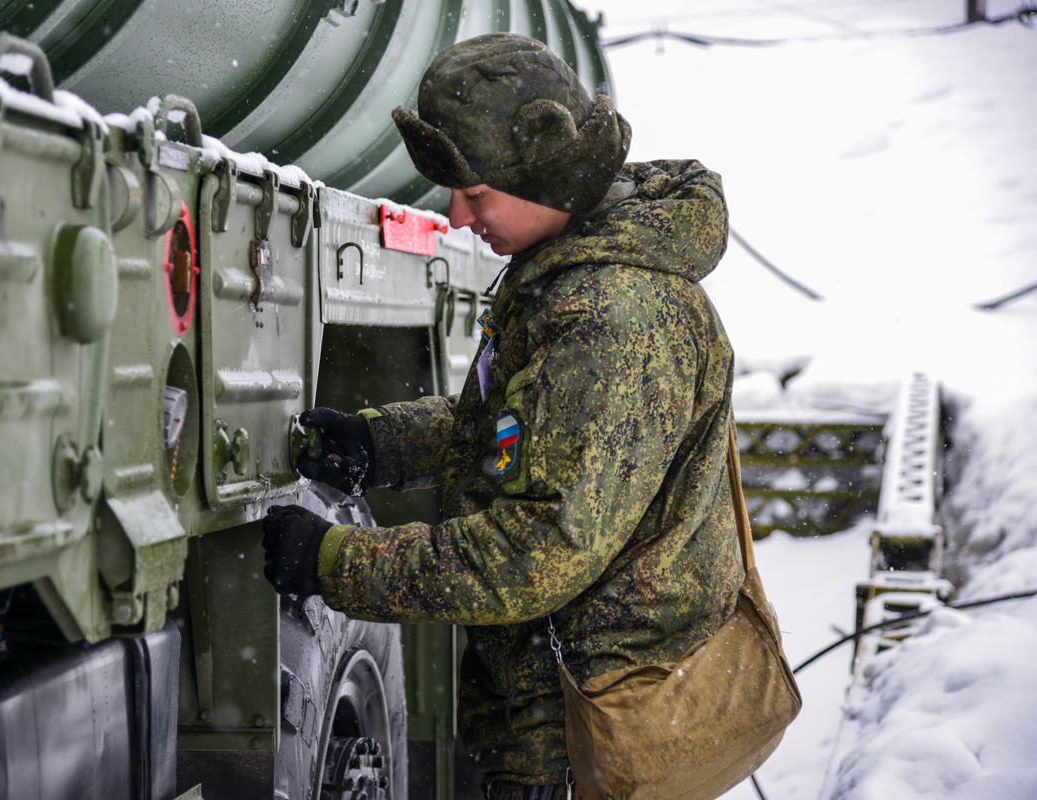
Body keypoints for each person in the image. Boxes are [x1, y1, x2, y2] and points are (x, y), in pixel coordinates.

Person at [262, 32, 743, 800]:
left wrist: (336, 565)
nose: (456, 215)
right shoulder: (572, 276)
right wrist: (381, 444)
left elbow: (538, 551)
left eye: (476, 192)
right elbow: (524, 428)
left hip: (585, 739)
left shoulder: (613, 316)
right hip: (566, 718)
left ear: (546, 173)